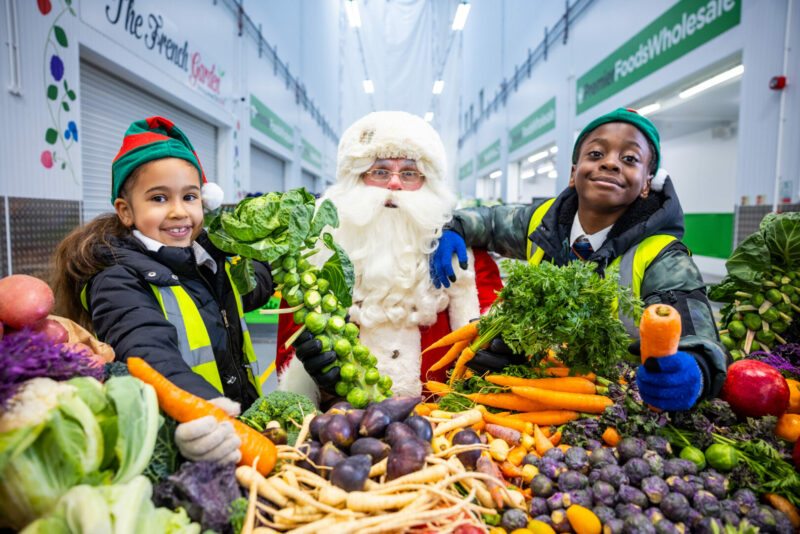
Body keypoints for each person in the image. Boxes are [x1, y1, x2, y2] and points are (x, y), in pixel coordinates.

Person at [430, 108, 728, 411]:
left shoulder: (663, 256)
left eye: (629, 159)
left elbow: (697, 335)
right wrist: (456, 228)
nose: (610, 163)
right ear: (574, 173)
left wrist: (696, 370)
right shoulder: (542, 221)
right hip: (535, 396)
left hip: (615, 409)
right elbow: (492, 223)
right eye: (596, 153)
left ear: (647, 184)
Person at [53, 116, 273, 463]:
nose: (179, 211)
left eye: (190, 196)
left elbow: (245, 291)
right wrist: (203, 407)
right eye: (159, 198)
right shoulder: (116, 280)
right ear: (126, 211)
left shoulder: (207, 261)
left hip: (237, 430)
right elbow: (146, 351)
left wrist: (279, 260)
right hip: (187, 438)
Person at [276, 111, 503, 403]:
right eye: (380, 172)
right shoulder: (315, 257)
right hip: (344, 421)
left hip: (444, 421)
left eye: (409, 173)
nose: (394, 184)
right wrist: (313, 370)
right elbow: (289, 348)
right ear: (356, 179)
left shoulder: (467, 256)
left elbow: (499, 337)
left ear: (426, 182)